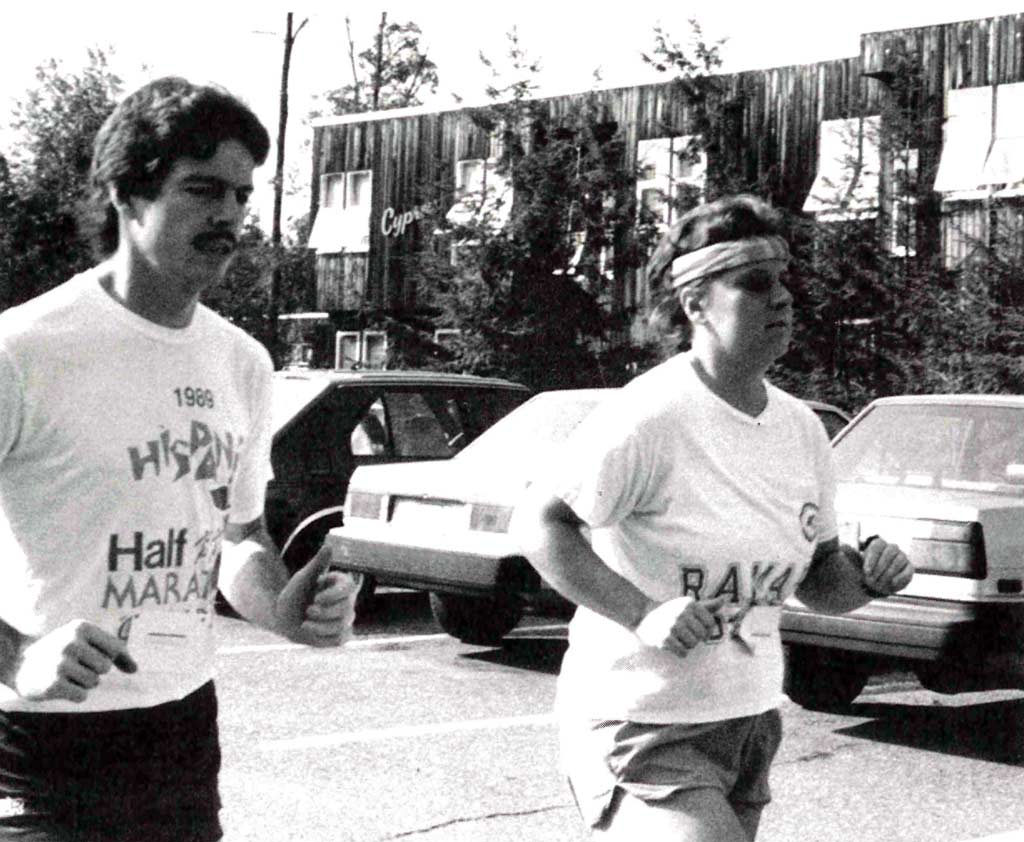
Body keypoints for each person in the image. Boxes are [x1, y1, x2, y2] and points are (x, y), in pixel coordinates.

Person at [0, 77, 360, 842]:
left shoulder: (242, 364)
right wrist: (18, 655)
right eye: (202, 190)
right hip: (41, 747)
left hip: (180, 737)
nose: (229, 215)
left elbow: (235, 538)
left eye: (241, 195)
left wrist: (284, 610)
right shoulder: (23, 352)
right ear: (128, 195)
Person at [512, 194, 913, 841]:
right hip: (639, 720)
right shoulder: (650, 416)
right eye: (755, 284)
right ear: (696, 303)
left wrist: (869, 578)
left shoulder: (801, 429)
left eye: (783, 281)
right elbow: (538, 525)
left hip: (748, 719)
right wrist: (644, 612)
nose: (781, 299)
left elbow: (819, 581)